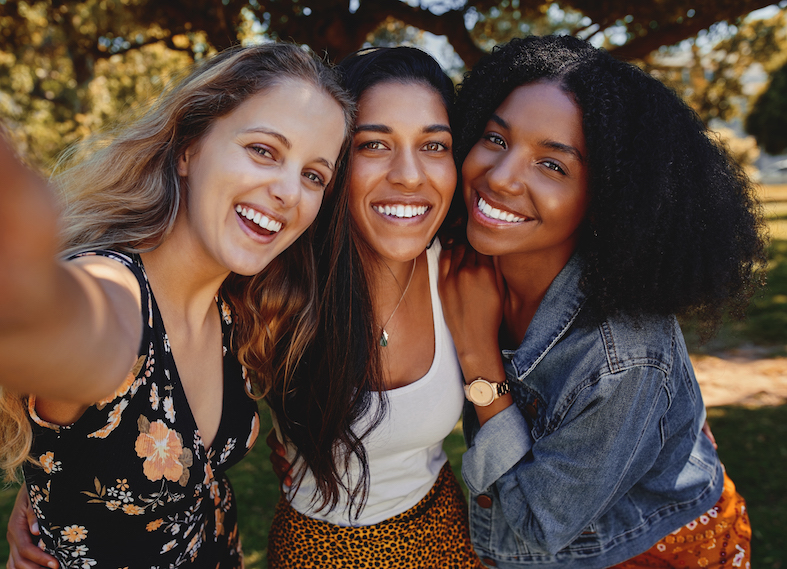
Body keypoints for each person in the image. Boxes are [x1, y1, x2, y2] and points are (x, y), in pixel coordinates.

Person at [0, 43, 352, 568]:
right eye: (263, 150)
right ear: (188, 148)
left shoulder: (236, 311)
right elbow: (77, 330)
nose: (288, 191)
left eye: (313, 175)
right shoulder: (113, 286)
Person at [438, 35, 764, 568]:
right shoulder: (473, 257)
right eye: (496, 139)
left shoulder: (627, 355)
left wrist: (479, 358)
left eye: (553, 165)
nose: (499, 178)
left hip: (651, 552)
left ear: (609, 197)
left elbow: (535, 526)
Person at [264, 46, 485, 568]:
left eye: (433, 145)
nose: (409, 175)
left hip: (442, 535)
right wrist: (41, 496)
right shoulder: (275, 280)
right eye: (374, 144)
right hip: (312, 548)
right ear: (336, 159)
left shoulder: (464, 273)